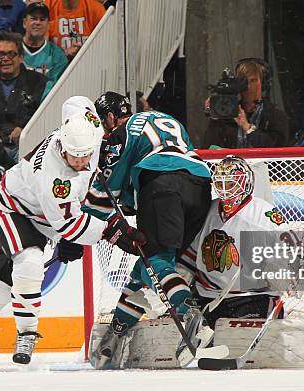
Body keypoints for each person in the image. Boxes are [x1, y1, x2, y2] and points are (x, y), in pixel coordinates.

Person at [0, 97, 144, 368]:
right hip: (10, 209)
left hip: (42, 219)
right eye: (74, 157)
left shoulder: (88, 127)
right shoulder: (53, 179)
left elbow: (75, 101)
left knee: (0, 288)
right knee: (30, 262)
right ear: (62, 147)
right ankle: (27, 333)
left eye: (85, 156)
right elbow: (68, 224)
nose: (80, 163)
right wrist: (112, 233)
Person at [86, 91, 212, 370]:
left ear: (109, 117)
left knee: (155, 261)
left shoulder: (121, 132)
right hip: (199, 187)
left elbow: (105, 192)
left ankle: (189, 313)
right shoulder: (165, 118)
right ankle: (115, 335)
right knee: (150, 265)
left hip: (162, 185)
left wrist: (84, 221)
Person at [177, 155, 290, 330]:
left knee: (240, 339)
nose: (225, 190)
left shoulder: (264, 214)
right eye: (220, 184)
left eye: (231, 184)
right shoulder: (206, 211)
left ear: (246, 183)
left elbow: (288, 254)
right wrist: (178, 285)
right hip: (210, 296)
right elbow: (190, 258)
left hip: (254, 297)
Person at [0, 32, 49, 160]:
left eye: (11, 54)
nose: (5, 59)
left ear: (21, 57)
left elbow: (47, 117)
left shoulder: (41, 83)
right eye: (1, 54)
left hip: (29, 148)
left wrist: (25, 129)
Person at [203, 58, 293, 149]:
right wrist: (215, 116)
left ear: (263, 84)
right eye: (244, 82)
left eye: (253, 81)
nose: (249, 86)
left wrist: (248, 128)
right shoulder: (228, 115)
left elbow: (277, 148)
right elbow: (209, 148)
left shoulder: (275, 116)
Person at [0, 2, 68, 92]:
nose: (38, 22)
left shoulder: (58, 56)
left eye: (42, 19)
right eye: (33, 18)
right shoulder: (6, 49)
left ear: (48, 25)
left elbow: (56, 91)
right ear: (24, 23)